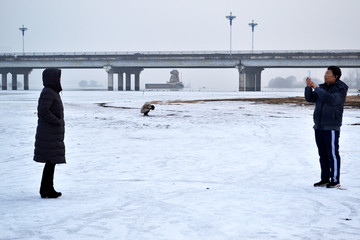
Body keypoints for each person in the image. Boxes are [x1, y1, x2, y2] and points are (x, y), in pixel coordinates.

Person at [305, 66, 348, 188]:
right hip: (319, 126)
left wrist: (317, 89)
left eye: (328, 73)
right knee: (322, 154)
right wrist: (309, 88)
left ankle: (335, 180)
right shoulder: (322, 87)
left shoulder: (340, 89)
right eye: (325, 73)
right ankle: (325, 178)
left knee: (332, 154)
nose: (325, 75)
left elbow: (332, 100)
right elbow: (310, 99)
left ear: (336, 76)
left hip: (331, 126)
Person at [34, 68, 65, 198]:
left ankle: (47, 189)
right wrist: (56, 122)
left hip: (52, 134)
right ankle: (46, 189)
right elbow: (43, 111)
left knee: (51, 162)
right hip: (49, 134)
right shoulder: (48, 92)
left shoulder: (52, 92)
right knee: (50, 161)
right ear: (52, 78)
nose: (60, 79)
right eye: (58, 77)